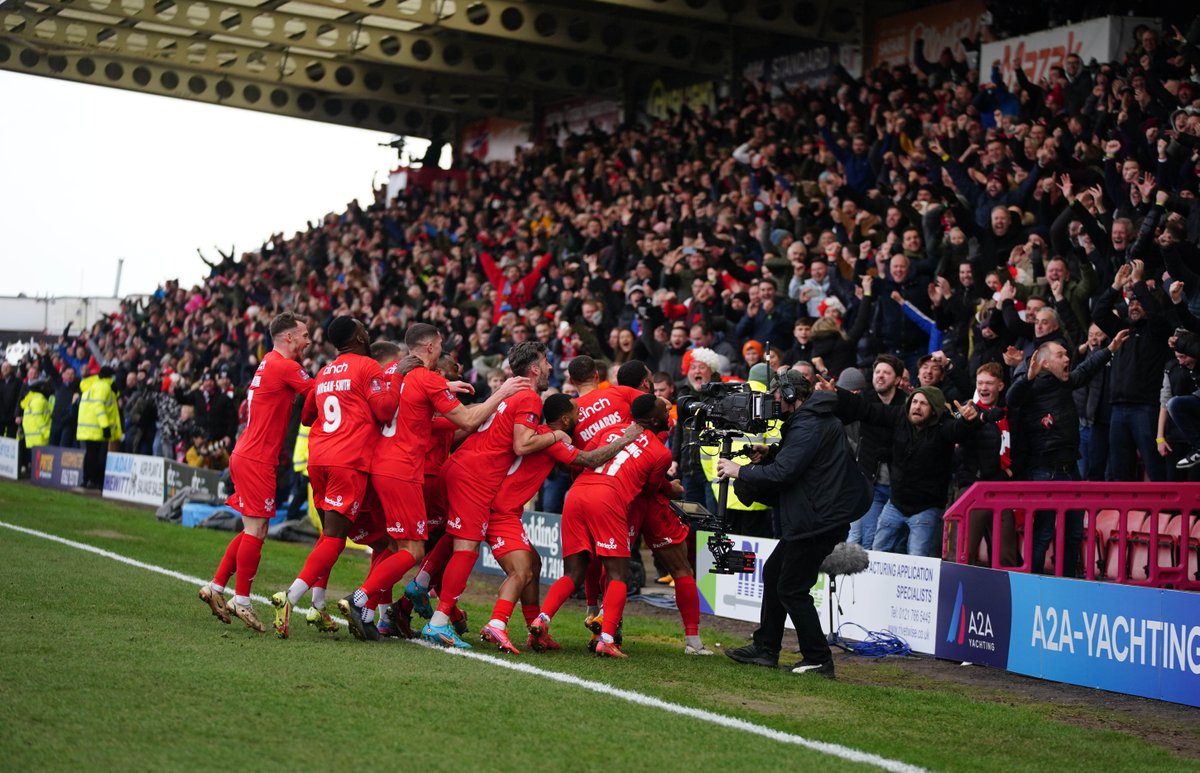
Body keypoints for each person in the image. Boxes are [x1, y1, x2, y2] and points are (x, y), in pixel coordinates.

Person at [333, 323, 527, 641]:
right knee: (412, 549)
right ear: (431, 346)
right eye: (440, 346)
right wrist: (502, 394)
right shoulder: (427, 377)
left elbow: (423, 418)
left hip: (379, 467)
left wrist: (458, 394)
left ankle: (374, 613)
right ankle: (360, 599)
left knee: (395, 546)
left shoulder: (393, 371)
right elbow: (465, 421)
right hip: (404, 470)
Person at [719, 370, 871, 679]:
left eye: (776, 395)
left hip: (817, 520)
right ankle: (766, 649)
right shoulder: (807, 421)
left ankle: (818, 659)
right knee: (776, 574)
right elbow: (796, 462)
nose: (772, 402)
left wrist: (739, 471)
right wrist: (770, 452)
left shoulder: (810, 424)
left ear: (791, 395)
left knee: (792, 588)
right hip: (813, 516)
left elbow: (784, 474)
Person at [420, 340, 564, 648]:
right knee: (467, 549)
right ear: (535, 368)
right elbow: (522, 445)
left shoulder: (507, 394)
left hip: (459, 466)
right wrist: (557, 434)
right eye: (547, 362)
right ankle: (439, 621)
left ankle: (418, 589)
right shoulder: (528, 397)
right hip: (475, 477)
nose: (551, 367)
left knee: (456, 538)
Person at [268, 316, 399, 639]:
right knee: (335, 538)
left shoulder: (325, 371)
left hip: (321, 459)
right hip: (348, 461)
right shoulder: (368, 367)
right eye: (363, 328)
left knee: (373, 539)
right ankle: (291, 597)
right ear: (357, 335)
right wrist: (395, 381)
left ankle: (329, 604)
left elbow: (309, 416)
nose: (367, 331)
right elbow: (384, 412)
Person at [477, 393, 638, 654]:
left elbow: (567, 465)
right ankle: (497, 623)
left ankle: (535, 630)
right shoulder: (553, 441)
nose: (580, 416)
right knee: (521, 570)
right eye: (576, 412)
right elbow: (590, 460)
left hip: (504, 510)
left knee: (534, 563)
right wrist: (626, 439)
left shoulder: (545, 436)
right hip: (501, 512)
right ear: (565, 419)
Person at [529, 394, 675, 658]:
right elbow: (652, 489)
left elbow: (591, 457)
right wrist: (673, 489)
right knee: (618, 574)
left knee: (573, 573)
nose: (668, 415)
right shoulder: (661, 453)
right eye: (665, 412)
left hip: (577, 494)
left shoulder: (610, 429)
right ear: (655, 420)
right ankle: (606, 638)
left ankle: (541, 620)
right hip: (608, 499)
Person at [199, 312, 312, 633]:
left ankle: (218, 587)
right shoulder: (285, 366)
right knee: (256, 530)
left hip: (248, 453)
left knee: (253, 527)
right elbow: (320, 391)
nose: (308, 341)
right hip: (257, 458)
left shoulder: (267, 364)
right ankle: (242, 599)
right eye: (304, 335)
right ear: (288, 337)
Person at [1006, 330, 1130, 576]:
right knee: (1042, 533)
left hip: (1072, 469)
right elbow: (1011, 400)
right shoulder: (1032, 386)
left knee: (1074, 533)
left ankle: (1069, 582)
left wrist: (1110, 349)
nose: (1067, 359)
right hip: (1044, 471)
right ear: (1044, 362)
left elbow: (1085, 371)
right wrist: (1027, 378)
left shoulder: (1063, 382)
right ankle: (1033, 584)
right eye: (1061, 355)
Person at [76, 366, 121, 490]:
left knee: (90, 453)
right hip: (97, 427)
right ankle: (94, 481)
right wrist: (105, 426)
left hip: (87, 426)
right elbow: (99, 407)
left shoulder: (92, 385)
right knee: (96, 455)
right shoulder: (103, 387)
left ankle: (86, 479)